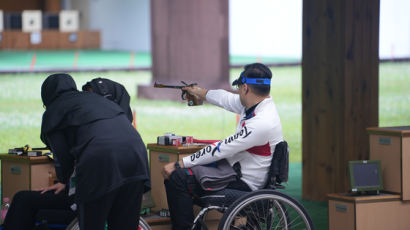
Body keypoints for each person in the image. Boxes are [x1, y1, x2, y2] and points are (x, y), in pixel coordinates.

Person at [3, 74, 150, 230]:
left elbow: (61, 157)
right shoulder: (96, 100)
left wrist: (65, 182)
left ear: (46, 97)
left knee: (92, 224)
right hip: (137, 158)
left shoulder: (55, 110)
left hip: (99, 166)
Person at [162, 63, 283, 230]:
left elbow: (221, 148)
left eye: (239, 88)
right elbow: (224, 98)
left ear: (245, 88)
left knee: (177, 177)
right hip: (235, 171)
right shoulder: (256, 105)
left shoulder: (262, 122)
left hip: (243, 184)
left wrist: (179, 163)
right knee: (185, 173)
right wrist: (198, 92)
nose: (238, 92)